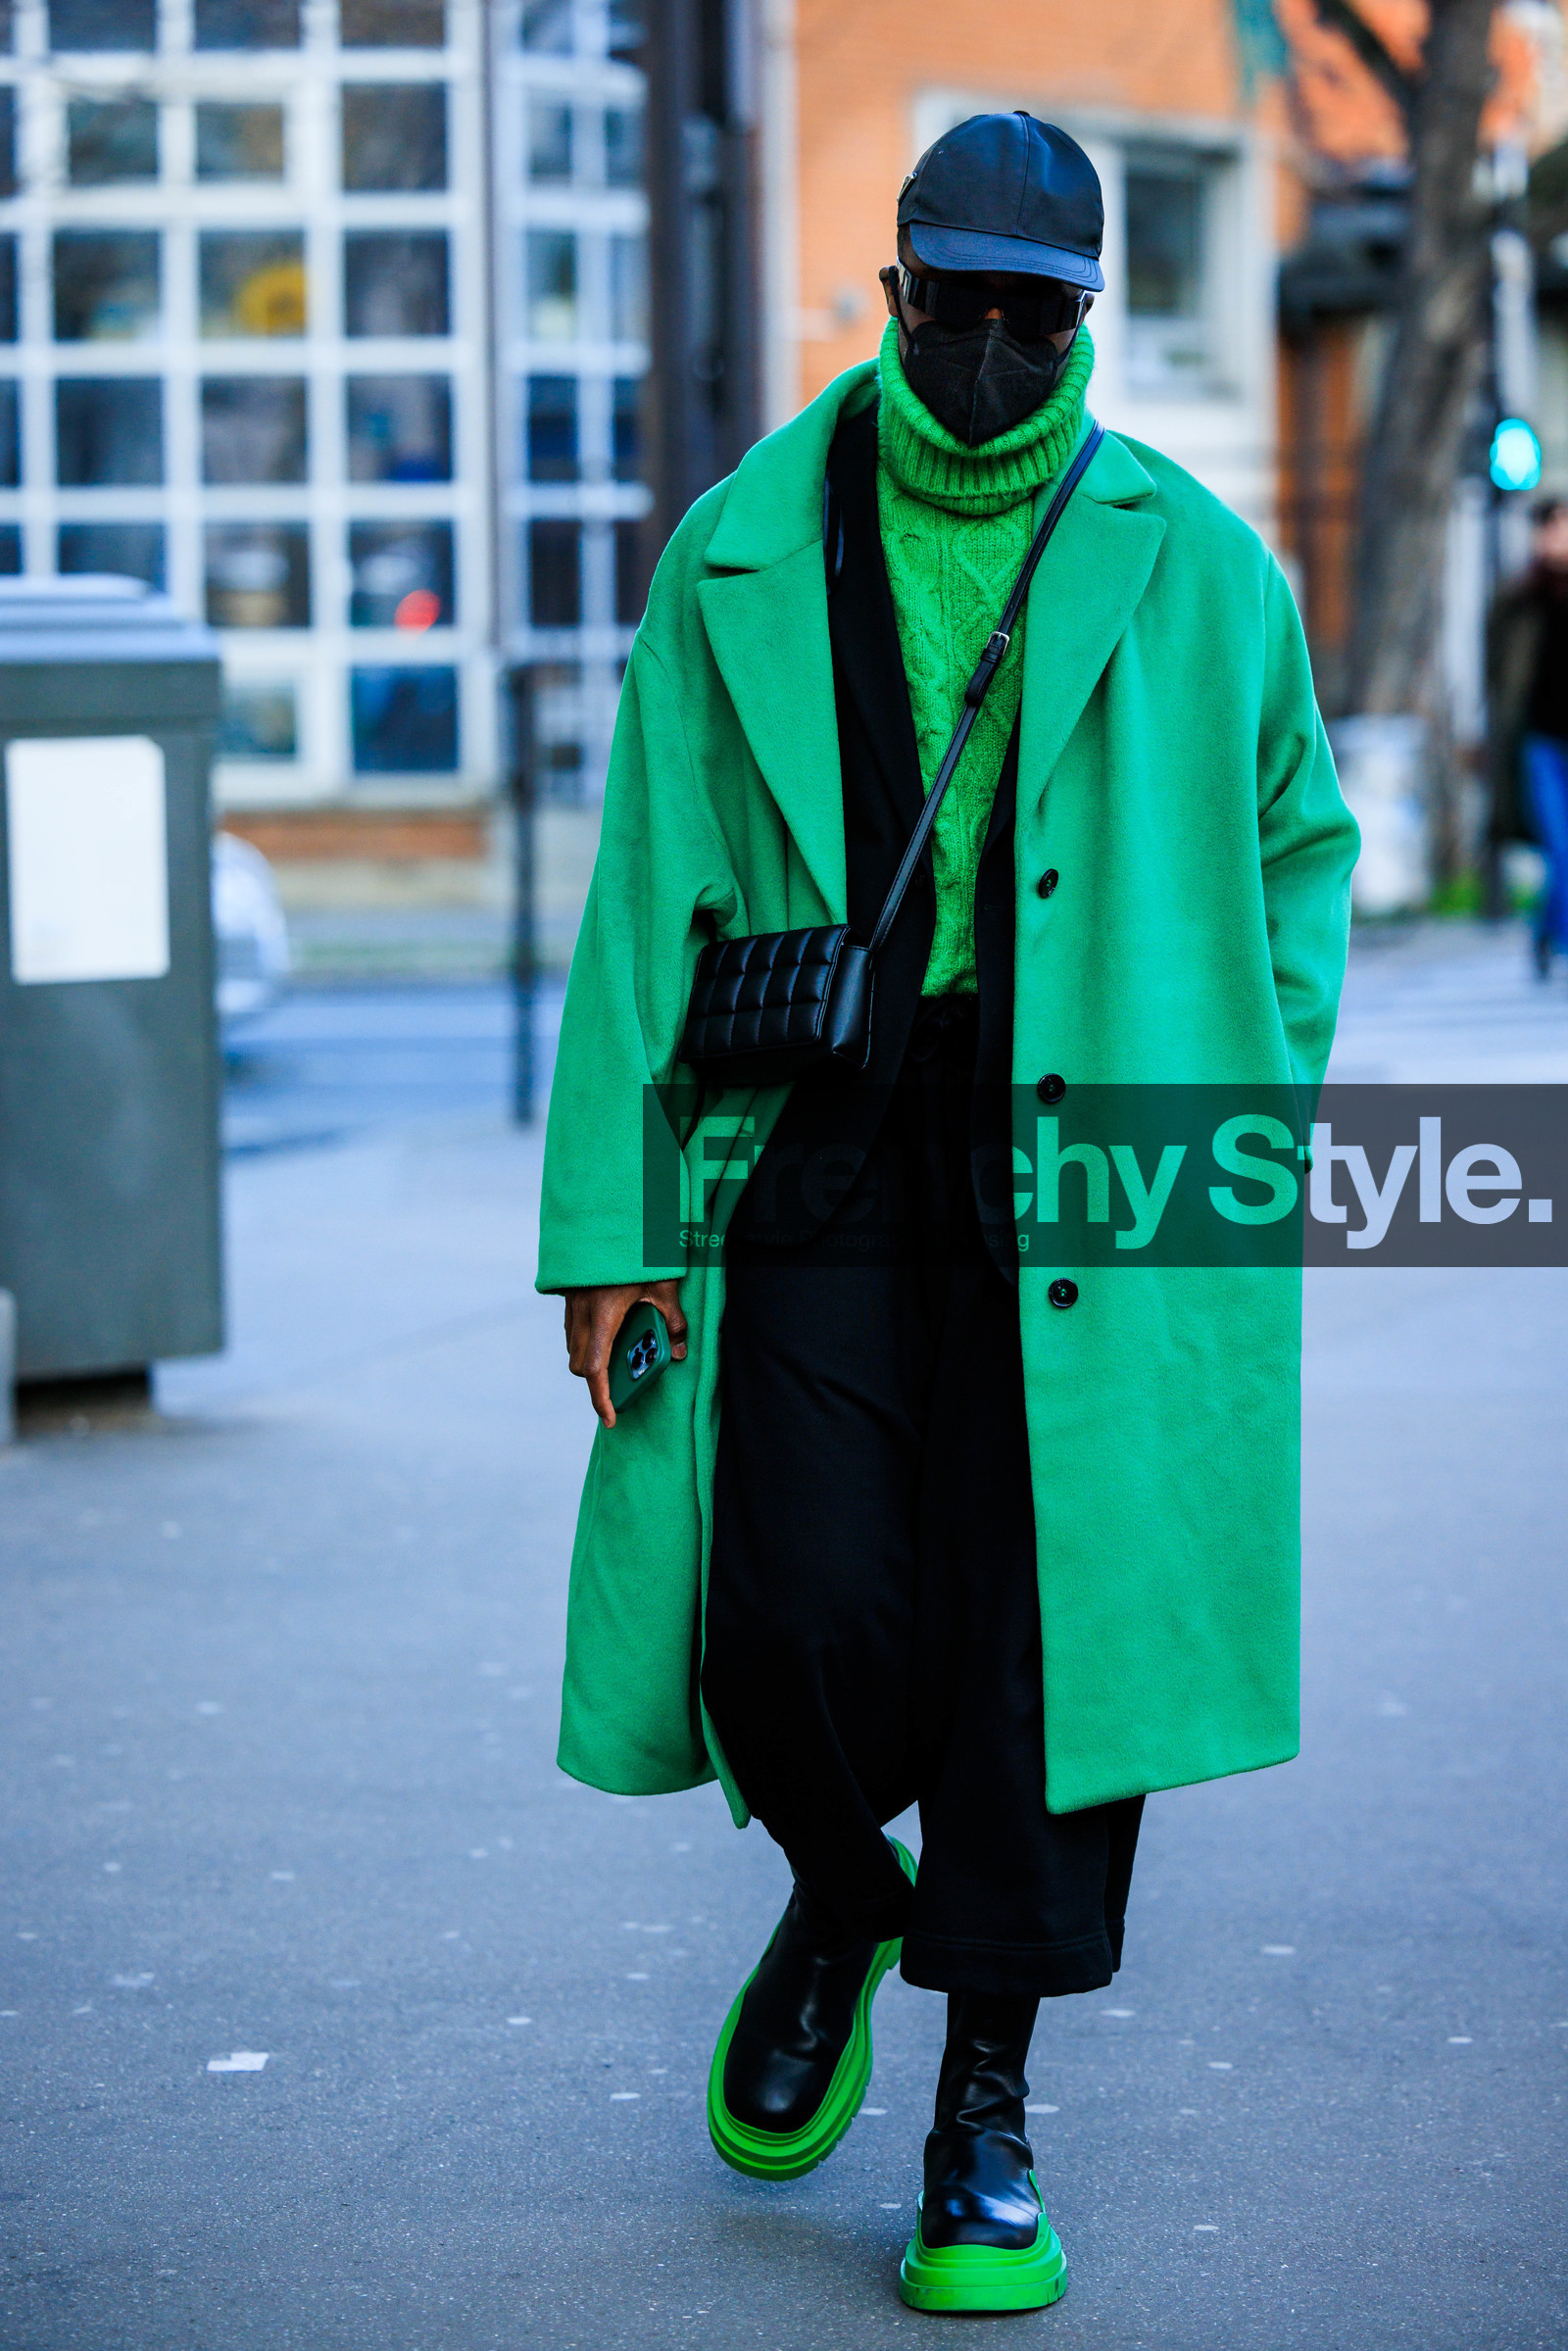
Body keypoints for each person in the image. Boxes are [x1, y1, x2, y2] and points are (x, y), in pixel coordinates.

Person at [538, 112, 1357, 2317]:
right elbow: (639, 892)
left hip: (1097, 1145)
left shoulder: (1199, 564)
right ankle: (838, 1885)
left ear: (1083, 319)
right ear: (893, 292)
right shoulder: (742, 544)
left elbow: (1300, 852)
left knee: (1040, 1633)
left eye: (1032, 317)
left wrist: (1244, 1100)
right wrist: (607, 1224)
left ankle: (982, 2105)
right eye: (951, 305)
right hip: (808, 1130)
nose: (987, 348)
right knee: (782, 1606)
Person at [1487, 495, 1568, 973]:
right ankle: (1556, 937)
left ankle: (1545, 931)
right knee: (1559, 847)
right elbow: (1497, 672)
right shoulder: (1519, 599)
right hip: (1540, 741)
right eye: (1550, 528)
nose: (1558, 538)